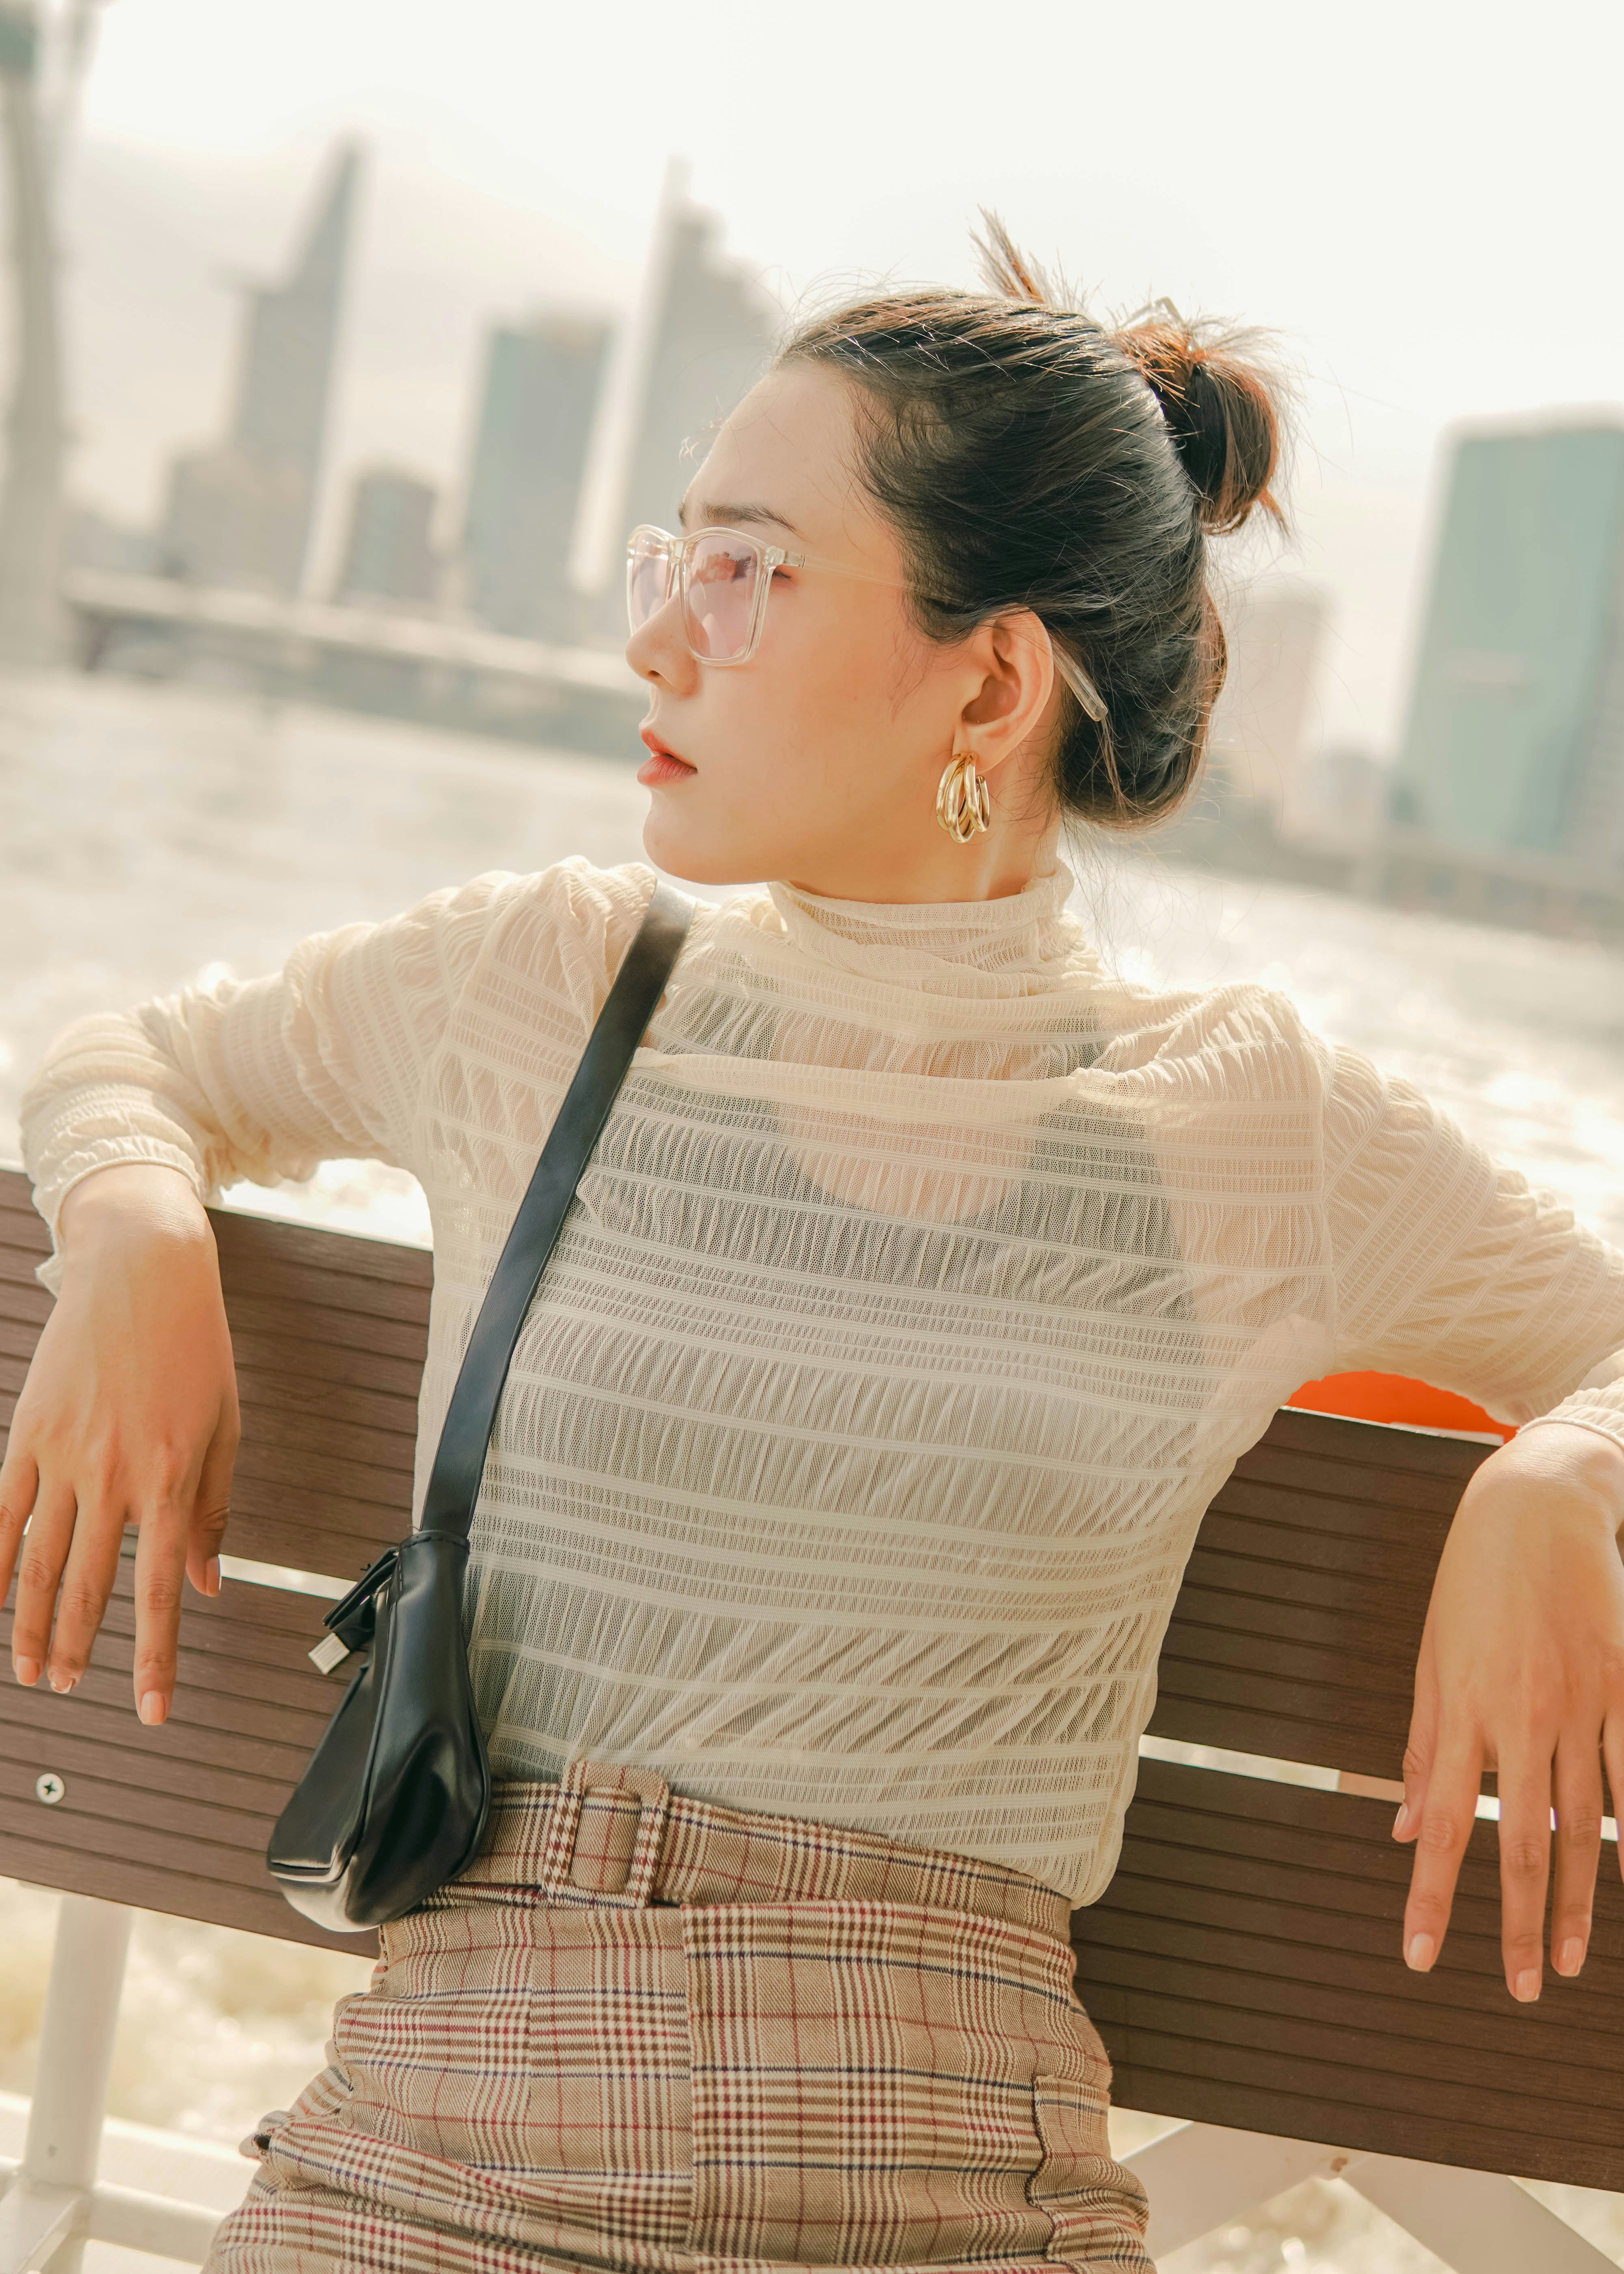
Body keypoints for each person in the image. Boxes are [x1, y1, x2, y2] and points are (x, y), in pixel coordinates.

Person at [6, 224, 1624, 2272]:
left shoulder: (1243, 1119)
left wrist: (1560, 1468)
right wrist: (136, 1223)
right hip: (430, 2177)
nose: (660, 641)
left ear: (992, 674)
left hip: (949, 2210)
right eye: (670, 559)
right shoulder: (541, 979)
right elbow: (128, 1057)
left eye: (749, 570)